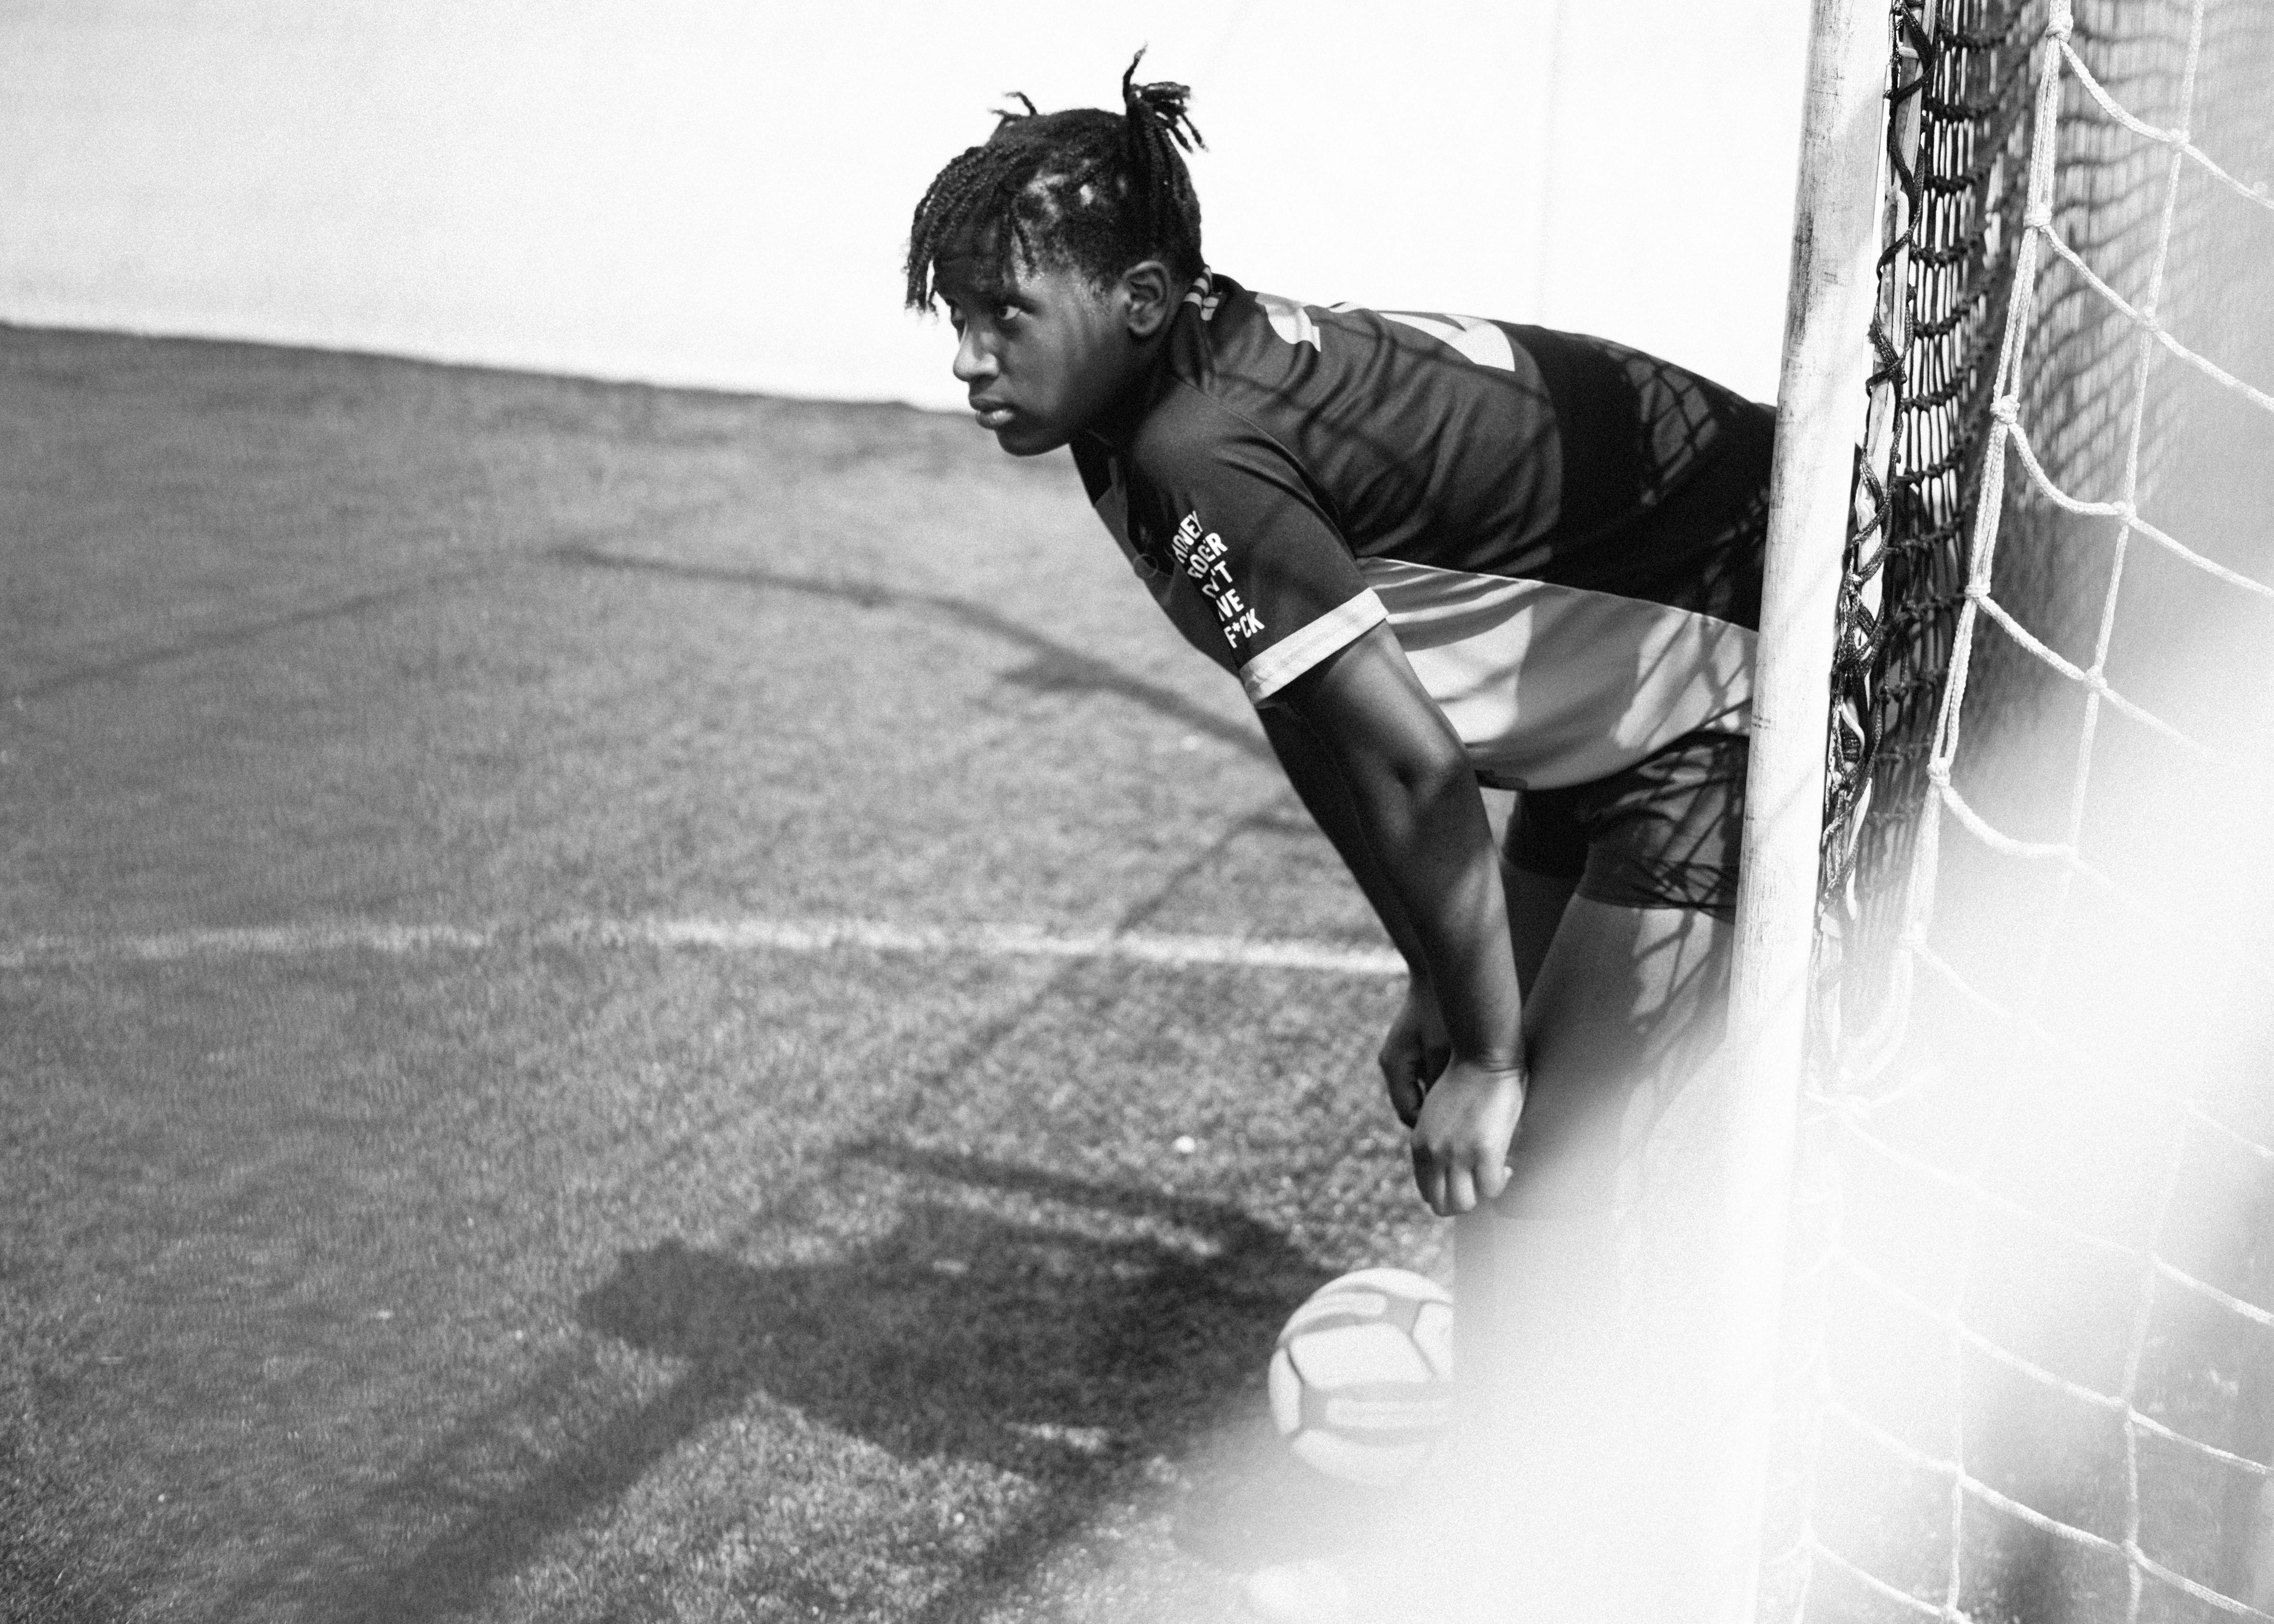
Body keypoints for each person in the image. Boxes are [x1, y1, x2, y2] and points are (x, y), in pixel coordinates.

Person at [904, 57, 1775, 1621]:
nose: (970, 359)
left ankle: (1545, 1558)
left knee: (1548, 1158)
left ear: (1150, 295)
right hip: (1624, 698)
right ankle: (1504, 1518)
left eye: (1005, 317)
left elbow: (1421, 774)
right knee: (1515, 1154)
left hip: (1727, 679)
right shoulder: (1157, 416)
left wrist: (1494, 1050)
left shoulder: (1198, 456)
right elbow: (1325, 734)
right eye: (953, 317)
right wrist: (1435, 974)